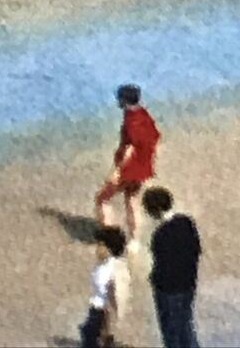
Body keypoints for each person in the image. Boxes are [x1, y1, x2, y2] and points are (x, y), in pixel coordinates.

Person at [96, 85, 161, 242]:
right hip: (143, 167)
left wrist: (117, 170)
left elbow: (130, 148)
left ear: (124, 100)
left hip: (129, 169)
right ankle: (134, 238)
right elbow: (155, 136)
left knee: (102, 199)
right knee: (131, 199)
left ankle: (109, 236)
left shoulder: (131, 120)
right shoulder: (144, 114)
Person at [142, 187, 202, 348]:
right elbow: (196, 250)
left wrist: (155, 280)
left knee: (171, 332)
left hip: (168, 289)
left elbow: (161, 264)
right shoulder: (186, 222)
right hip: (187, 284)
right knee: (185, 326)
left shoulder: (160, 235)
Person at [80, 226, 129, 348]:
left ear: (110, 248)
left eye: (100, 245)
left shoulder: (114, 268)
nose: (97, 249)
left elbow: (115, 296)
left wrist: (108, 326)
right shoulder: (102, 264)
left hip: (102, 314)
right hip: (96, 311)